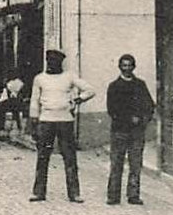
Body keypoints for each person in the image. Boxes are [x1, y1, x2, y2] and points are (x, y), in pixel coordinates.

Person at [29, 49, 95, 203]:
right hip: (46, 120)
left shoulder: (69, 77)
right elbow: (34, 100)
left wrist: (78, 100)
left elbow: (90, 90)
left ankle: (74, 193)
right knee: (43, 157)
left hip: (65, 121)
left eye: (55, 61)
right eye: (49, 60)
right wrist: (34, 121)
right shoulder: (40, 79)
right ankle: (39, 192)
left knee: (69, 157)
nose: (51, 63)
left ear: (61, 62)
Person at [105, 54, 155, 205]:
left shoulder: (140, 85)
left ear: (134, 67)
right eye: (124, 65)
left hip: (137, 131)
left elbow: (149, 105)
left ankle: (133, 195)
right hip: (119, 130)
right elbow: (112, 109)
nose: (127, 68)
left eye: (129, 65)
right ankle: (113, 195)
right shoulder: (114, 86)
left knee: (135, 164)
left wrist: (142, 120)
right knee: (116, 163)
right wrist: (128, 119)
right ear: (119, 67)